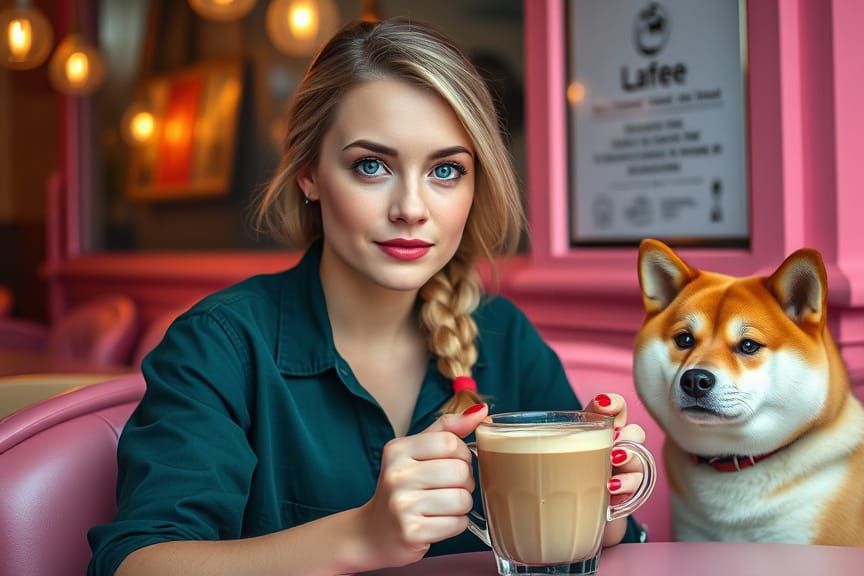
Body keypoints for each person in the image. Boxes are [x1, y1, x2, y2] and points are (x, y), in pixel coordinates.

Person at [88, 18, 649, 576]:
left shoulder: (505, 335)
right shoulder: (220, 347)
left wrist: (605, 497)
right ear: (308, 172)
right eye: (372, 166)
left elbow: (600, 533)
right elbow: (137, 563)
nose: (411, 207)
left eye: (446, 170)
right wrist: (360, 535)